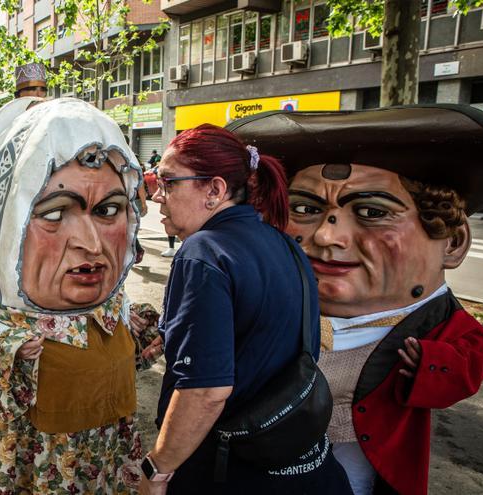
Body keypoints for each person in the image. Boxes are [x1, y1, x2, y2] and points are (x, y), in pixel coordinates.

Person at [229, 105, 483, 495]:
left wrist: (432, 365)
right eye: (305, 209)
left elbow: (471, 361)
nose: (326, 238)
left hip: (362, 455)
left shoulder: (435, 318)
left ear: (451, 244)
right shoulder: (272, 294)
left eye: (372, 212)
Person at [141, 124, 351, 494]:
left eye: (169, 182)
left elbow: (205, 392)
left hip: (232, 469)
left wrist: (157, 470)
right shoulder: (282, 243)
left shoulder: (202, 253)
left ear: (215, 190)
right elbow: (269, 336)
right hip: (304, 465)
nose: (158, 195)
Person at [0, 97, 149, 493]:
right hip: (45, 461)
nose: (91, 244)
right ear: (9, 225)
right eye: (55, 214)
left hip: (105, 451)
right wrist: (9, 348)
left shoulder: (114, 305)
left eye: (109, 211)